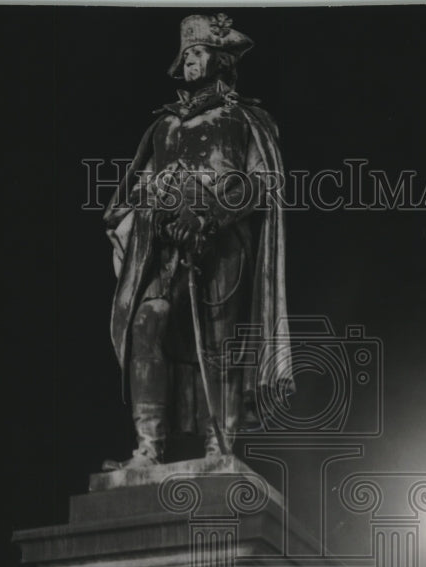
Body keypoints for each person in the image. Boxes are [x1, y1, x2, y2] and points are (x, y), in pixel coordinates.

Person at [102, 13, 292, 471]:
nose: (190, 61)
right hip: (162, 241)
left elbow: (264, 181)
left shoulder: (246, 118)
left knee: (220, 336)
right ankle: (148, 446)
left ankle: (218, 445)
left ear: (221, 59)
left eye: (199, 52)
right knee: (148, 321)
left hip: (223, 240)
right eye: (186, 54)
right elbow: (129, 195)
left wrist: (208, 213)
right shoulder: (162, 127)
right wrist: (159, 211)